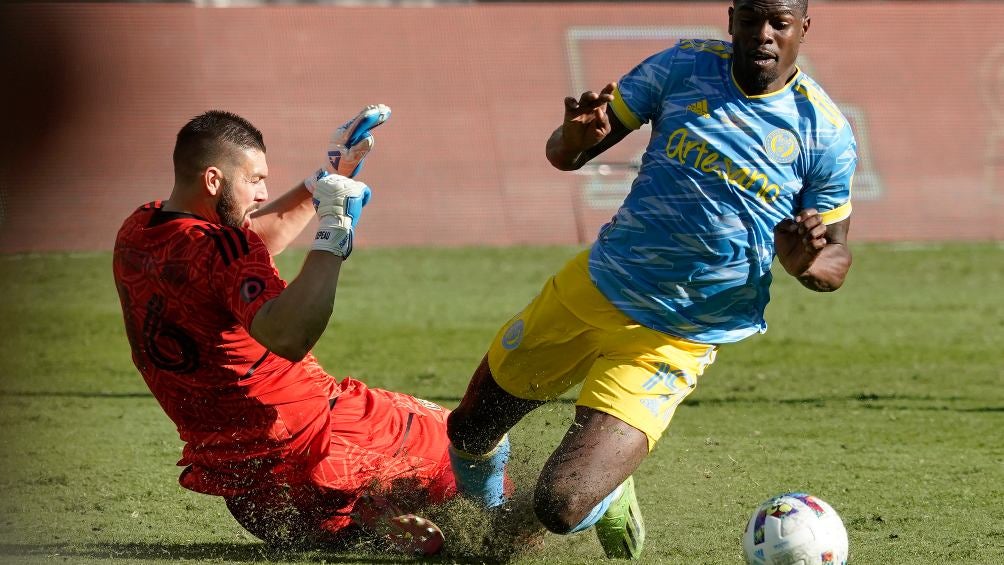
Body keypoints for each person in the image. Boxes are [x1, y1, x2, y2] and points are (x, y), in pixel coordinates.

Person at [445, 0, 855, 559]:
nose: (762, 34)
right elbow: (565, 154)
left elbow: (836, 260)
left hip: (678, 337)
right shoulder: (680, 67)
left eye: (778, 22)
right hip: (595, 289)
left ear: (802, 28)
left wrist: (805, 262)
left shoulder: (823, 131)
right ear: (730, 18)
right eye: (751, 19)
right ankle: (481, 524)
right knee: (469, 430)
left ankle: (581, 503)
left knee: (561, 506)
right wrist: (573, 136)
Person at [112, 106, 454, 556]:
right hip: (314, 440)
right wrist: (335, 230)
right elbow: (292, 336)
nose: (263, 193)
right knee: (462, 438)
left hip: (245, 487)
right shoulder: (224, 249)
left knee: (328, 531)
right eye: (254, 180)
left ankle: (360, 525)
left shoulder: (139, 229)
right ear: (214, 181)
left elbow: (241, 252)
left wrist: (326, 178)